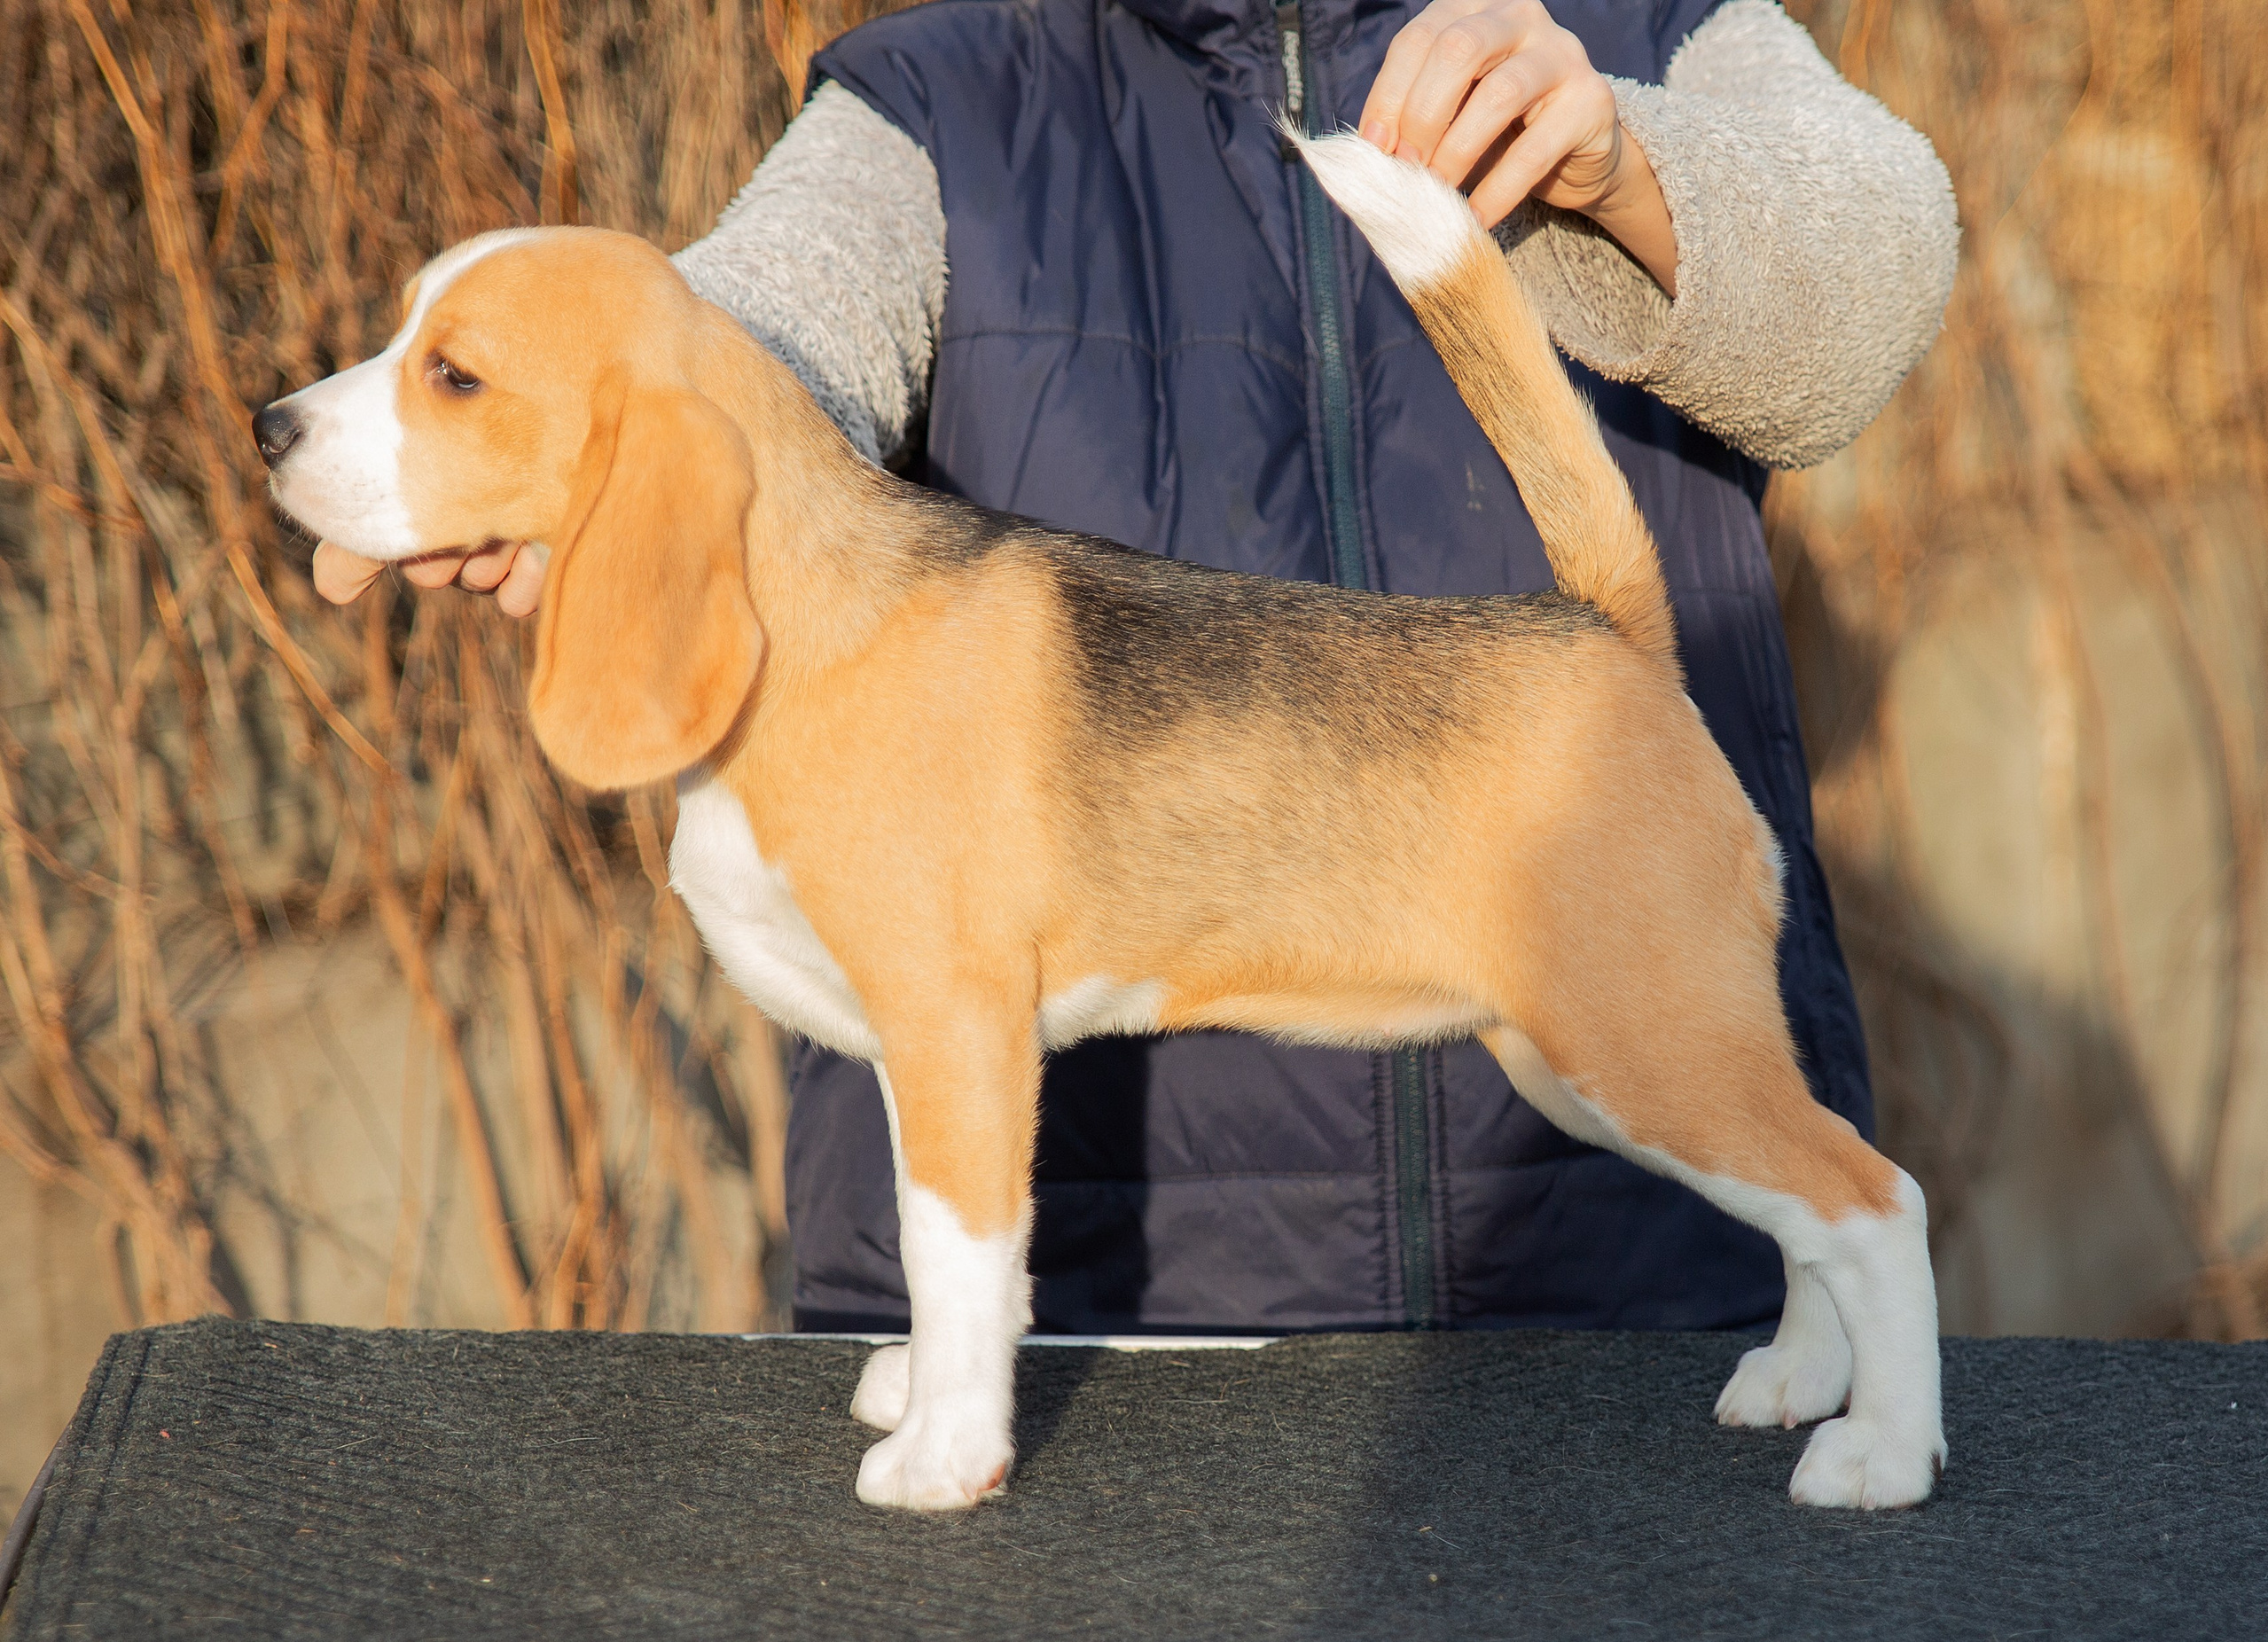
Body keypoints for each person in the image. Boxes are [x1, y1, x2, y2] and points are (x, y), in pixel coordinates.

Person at [317, 0, 1956, 1336]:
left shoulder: (1665, 24)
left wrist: (1627, 159)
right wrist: (575, 436)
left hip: (1617, 1261)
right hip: (1131, 1284)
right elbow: (762, 330)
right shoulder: (941, 90)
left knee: (1707, 1127)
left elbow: (1877, 284)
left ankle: (1850, 1281)